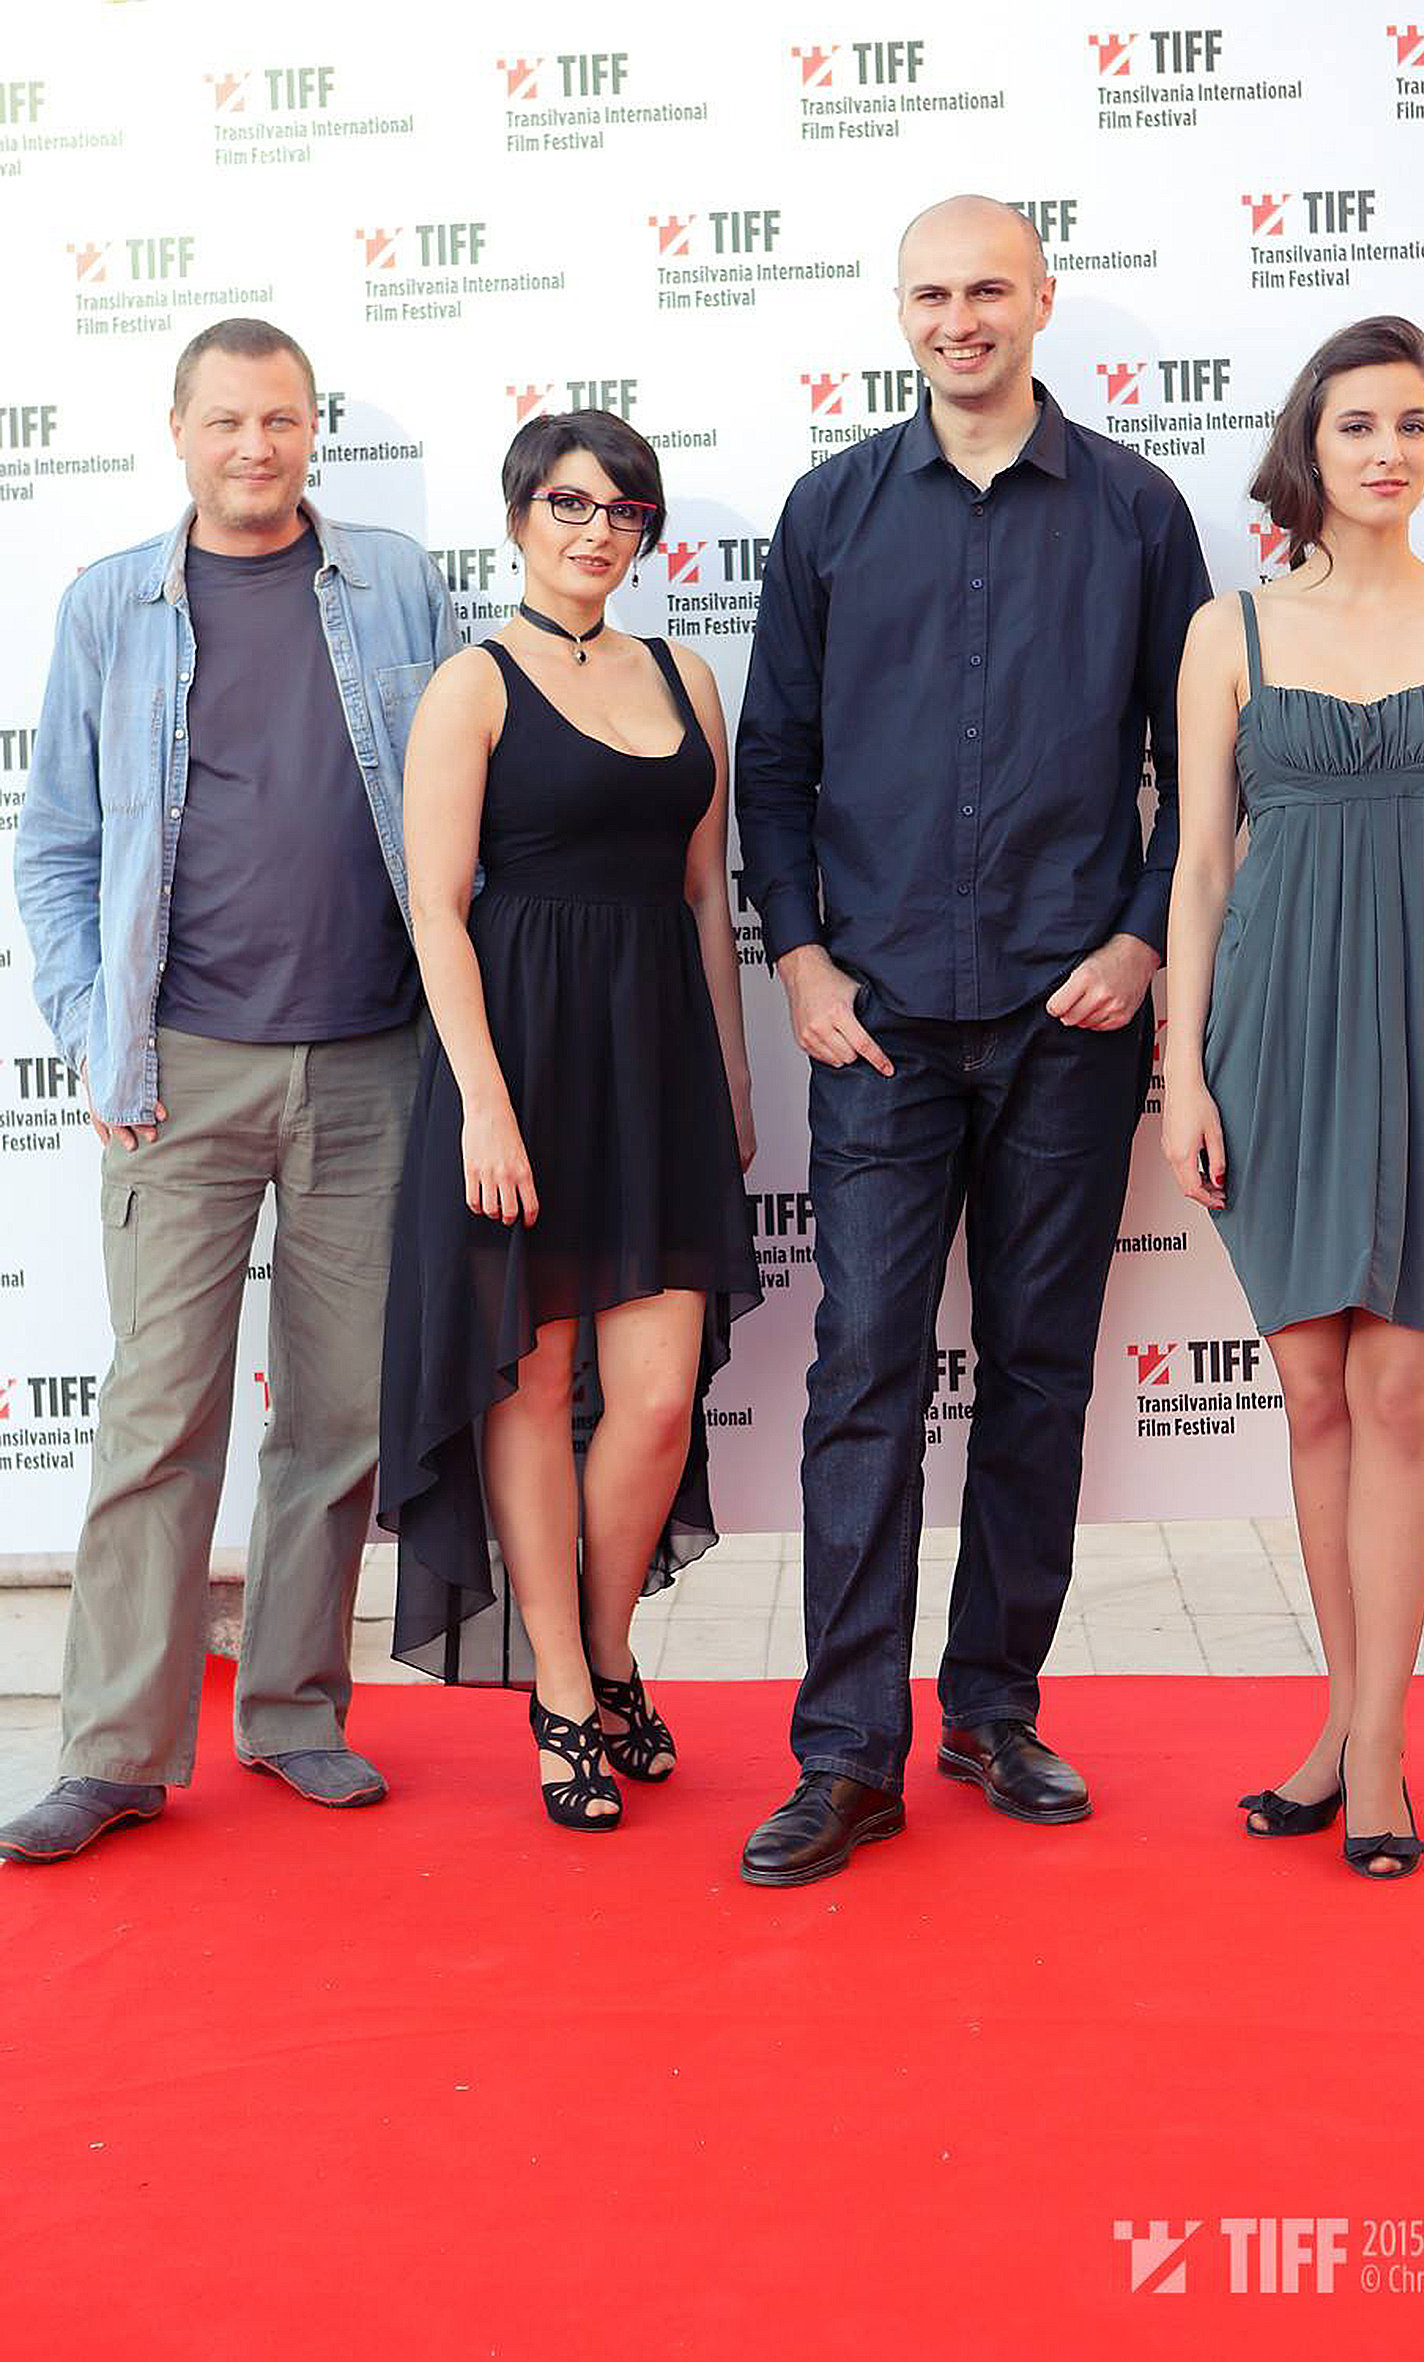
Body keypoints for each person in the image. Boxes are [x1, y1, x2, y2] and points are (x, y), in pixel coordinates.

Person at [733, 194, 1211, 1885]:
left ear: (1042, 297)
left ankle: (992, 1708)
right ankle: (848, 1752)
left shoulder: (1142, 514)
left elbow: (1198, 771)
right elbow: (770, 765)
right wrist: (796, 960)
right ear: (901, 308)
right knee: (863, 1378)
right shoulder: (833, 510)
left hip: (1068, 1024)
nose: (959, 319)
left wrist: (1146, 934)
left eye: (987, 289)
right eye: (931, 293)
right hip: (874, 1030)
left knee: (1037, 1375)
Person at [1, 317, 462, 1866]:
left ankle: (295, 1712)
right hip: (178, 1068)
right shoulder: (110, 604)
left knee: (336, 1415)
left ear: (313, 427)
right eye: (227, 423)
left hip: (375, 1059)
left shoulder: (396, 581)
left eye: (281, 420)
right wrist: (95, 1039)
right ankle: (117, 1746)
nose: (256, 448)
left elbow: (458, 798)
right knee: (155, 1416)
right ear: (178, 430)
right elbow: (57, 845)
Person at [1162, 315, 1424, 1881]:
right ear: (1305, 447)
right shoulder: (1230, 632)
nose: (1387, 451)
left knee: (1402, 1387)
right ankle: (1341, 1718)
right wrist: (1181, 1067)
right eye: (1356, 426)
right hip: (1274, 1033)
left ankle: (1380, 1744)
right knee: (1314, 1390)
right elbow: (1198, 866)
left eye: (1412, 424)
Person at [376, 409, 760, 1831]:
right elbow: (436, 907)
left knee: (655, 1398)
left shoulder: (687, 676)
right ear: (520, 516)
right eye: (571, 503)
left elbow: (706, 896)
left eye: (625, 510)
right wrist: (483, 1099)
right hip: (520, 1059)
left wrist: (729, 1076)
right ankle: (561, 1686)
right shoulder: (469, 686)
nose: (599, 530)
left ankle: (603, 1651)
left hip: (655, 1055)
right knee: (532, 1387)